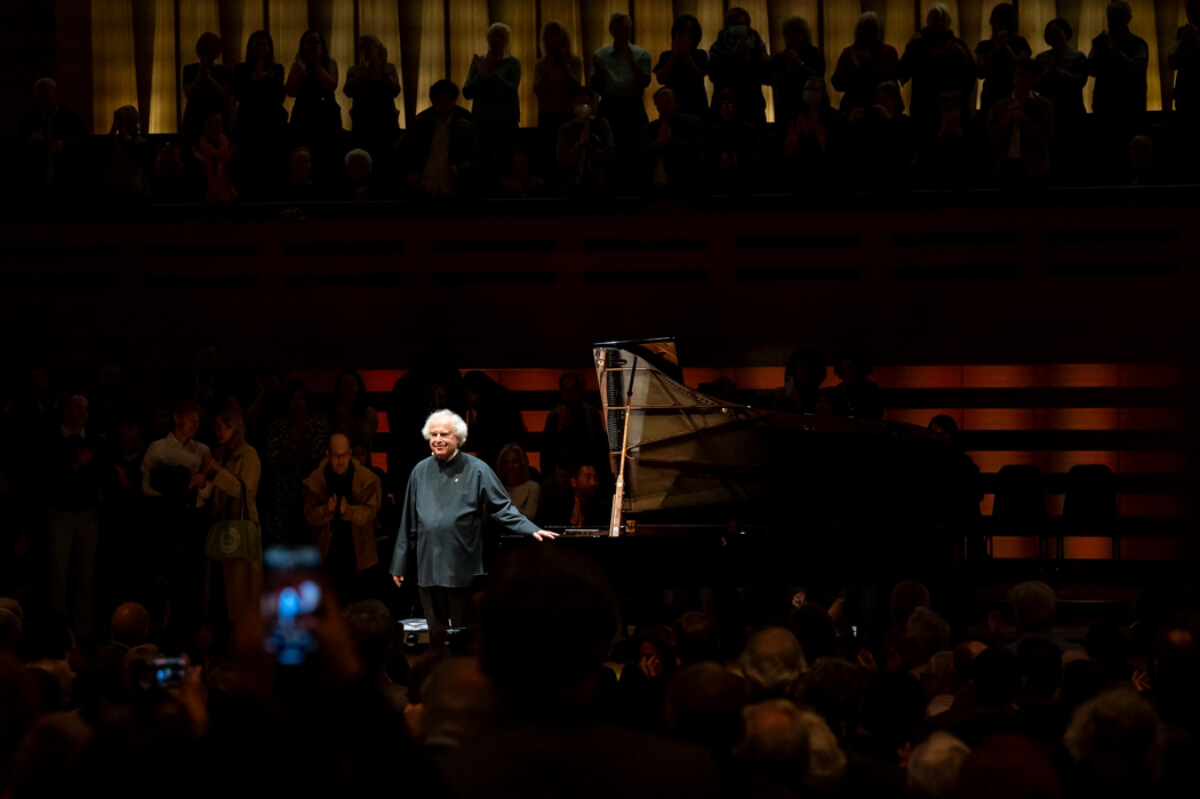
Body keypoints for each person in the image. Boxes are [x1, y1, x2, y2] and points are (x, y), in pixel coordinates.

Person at [389, 410, 558, 646]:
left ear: (458, 438)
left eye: (444, 434)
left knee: (461, 634)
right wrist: (400, 562)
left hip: (461, 564)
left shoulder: (477, 469)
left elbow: (502, 508)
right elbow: (409, 520)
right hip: (427, 564)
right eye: (433, 434)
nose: (438, 439)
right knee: (436, 635)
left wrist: (530, 528)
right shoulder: (419, 470)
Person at [44, 396, 102, 644]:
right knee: (58, 574)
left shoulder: (94, 439)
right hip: (60, 513)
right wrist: (75, 465)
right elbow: (43, 476)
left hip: (88, 513)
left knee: (85, 576)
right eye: (78, 406)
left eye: (87, 407)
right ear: (65, 408)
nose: (84, 412)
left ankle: (83, 634)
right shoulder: (50, 439)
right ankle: (59, 635)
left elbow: (102, 474)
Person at [198, 405, 261, 625]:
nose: (217, 433)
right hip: (221, 527)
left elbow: (244, 491)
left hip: (239, 528)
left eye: (221, 428)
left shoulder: (249, 455)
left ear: (234, 428)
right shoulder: (219, 454)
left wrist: (217, 472)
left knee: (240, 593)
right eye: (215, 428)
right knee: (220, 593)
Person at [304, 433, 382, 603]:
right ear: (327, 455)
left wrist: (349, 511)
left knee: (357, 603)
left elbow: (371, 512)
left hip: (358, 550)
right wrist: (327, 510)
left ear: (350, 453)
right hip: (327, 550)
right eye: (336, 456)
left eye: (344, 455)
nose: (340, 461)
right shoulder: (316, 479)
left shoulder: (366, 478)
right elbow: (309, 516)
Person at [591, 13, 652, 188]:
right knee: (610, 150)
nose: (623, 32)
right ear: (611, 31)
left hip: (633, 105)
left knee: (634, 149)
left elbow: (646, 82)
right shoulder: (600, 55)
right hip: (610, 105)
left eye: (626, 28)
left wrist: (632, 62)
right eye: (619, 29)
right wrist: (597, 69)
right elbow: (595, 86)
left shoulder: (641, 54)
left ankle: (634, 189)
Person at [898, 4, 974, 137]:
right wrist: (909, 47)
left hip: (951, 109)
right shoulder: (918, 46)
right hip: (923, 110)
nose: (937, 24)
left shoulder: (957, 46)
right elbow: (903, 74)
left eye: (940, 19)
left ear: (947, 23)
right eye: (934, 20)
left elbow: (970, 75)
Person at [264, 381, 326, 543]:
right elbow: (270, 462)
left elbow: (320, 462)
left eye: (301, 398)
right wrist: (290, 441)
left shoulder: (317, 427)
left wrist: (303, 439)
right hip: (281, 495)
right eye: (293, 399)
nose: (297, 402)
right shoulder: (277, 427)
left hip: (309, 494)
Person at [399, 80, 479, 198]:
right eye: (439, 100)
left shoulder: (466, 125)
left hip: (454, 185)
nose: (443, 104)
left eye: (447, 100)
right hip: (424, 184)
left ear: (454, 101)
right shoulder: (419, 124)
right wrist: (410, 173)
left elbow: (476, 157)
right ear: (433, 101)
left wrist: (459, 169)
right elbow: (401, 152)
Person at [231, 30, 287, 198]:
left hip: (271, 125)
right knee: (248, 165)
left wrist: (271, 79)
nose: (261, 48)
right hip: (248, 124)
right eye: (258, 44)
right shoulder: (241, 69)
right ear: (250, 47)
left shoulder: (277, 69)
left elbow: (280, 98)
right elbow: (239, 95)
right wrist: (252, 80)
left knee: (270, 164)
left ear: (269, 48)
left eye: (265, 44)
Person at [464, 22, 522, 179]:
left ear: (506, 41)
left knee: (506, 165)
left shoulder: (514, 63)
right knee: (483, 165)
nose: (497, 40)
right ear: (488, 40)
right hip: (482, 122)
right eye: (493, 37)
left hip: (506, 123)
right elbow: (467, 92)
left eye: (501, 37)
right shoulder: (479, 62)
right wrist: (479, 75)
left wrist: (492, 73)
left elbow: (510, 90)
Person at [986, 59, 1053, 187]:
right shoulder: (1000, 106)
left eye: (1026, 77)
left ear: (1033, 80)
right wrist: (1006, 122)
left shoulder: (1043, 105)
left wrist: (1023, 121)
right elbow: (990, 138)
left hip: (1034, 168)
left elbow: (1047, 137)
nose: (1020, 80)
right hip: (1005, 165)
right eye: (1018, 75)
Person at [286, 29, 342, 179]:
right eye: (308, 42)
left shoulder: (329, 62)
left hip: (326, 113)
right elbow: (290, 90)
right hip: (303, 113)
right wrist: (302, 70)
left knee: (326, 154)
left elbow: (330, 85)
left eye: (315, 42)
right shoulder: (297, 65)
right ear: (303, 45)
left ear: (321, 44)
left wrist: (317, 65)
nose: (312, 46)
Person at [18, 77, 86, 201]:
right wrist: (29, 141)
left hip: (67, 185)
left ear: (56, 94)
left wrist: (64, 144)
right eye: (41, 95)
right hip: (36, 186)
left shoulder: (71, 120)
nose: (44, 98)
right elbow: (17, 150)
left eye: (47, 94)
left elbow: (85, 146)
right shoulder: (28, 121)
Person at [1087, 1, 1149, 130]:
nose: (1113, 20)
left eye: (1118, 16)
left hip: (1131, 108)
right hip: (1104, 107)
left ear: (1128, 19)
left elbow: (1137, 70)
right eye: (1111, 16)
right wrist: (1099, 50)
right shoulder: (1100, 42)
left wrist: (1115, 51)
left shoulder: (1138, 44)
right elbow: (1090, 70)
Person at [533, 22, 583, 178]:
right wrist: (547, 70)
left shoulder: (575, 62)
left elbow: (576, 89)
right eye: (550, 35)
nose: (554, 38)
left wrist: (566, 65)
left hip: (567, 116)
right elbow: (538, 91)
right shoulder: (541, 64)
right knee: (548, 157)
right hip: (547, 116)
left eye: (557, 35)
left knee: (568, 157)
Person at [344, 34, 402, 169]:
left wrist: (382, 69)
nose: (364, 52)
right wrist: (363, 72)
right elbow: (349, 91)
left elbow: (395, 90)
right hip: (362, 124)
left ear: (378, 50)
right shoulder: (354, 70)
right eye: (361, 49)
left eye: (367, 48)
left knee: (387, 162)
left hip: (386, 124)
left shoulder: (389, 69)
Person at [708, 7, 769, 128]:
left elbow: (766, 74)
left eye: (740, 24)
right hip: (725, 104)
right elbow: (714, 74)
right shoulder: (718, 45)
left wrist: (747, 57)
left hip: (752, 103)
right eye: (733, 24)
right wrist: (732, 55)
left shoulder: (757, 44)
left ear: (747, 25)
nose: (737, 27)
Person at [640, 86, 704, 199]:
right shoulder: (648, 129)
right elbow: (641, 158)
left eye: (668, 102)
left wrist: (671, 140)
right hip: (653, 191)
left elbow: (696, 154)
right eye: (661, 102)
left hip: (684, 189)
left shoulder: (691, 124)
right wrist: (657, 143)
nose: (664, 106)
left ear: (677, 103)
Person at [831, 12, 899, 115]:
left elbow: (892, 80)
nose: (867, 33)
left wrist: (870, 65)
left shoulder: (888, 52)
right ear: (858, 31)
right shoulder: (848, 53)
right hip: (853, 105)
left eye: (872, 29)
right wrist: (853, 70)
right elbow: (837, 83)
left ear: (878, 31)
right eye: (864, 29)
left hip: (882, 106)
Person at [557, 86, 614, 197]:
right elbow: (563, 160)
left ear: (592, 104)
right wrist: (580, 143)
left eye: (587, 102)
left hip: (600, 187)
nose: (583, 106)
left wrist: (591, 144)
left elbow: (609, 153)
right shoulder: (565, 130)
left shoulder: (602, 124)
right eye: (579, 102)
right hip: (573, 188)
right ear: (573, 104)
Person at [975, 4, 1031, 120]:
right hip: (990, 94)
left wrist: (1006, 48)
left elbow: (1023, 67)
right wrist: (994, 51)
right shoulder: (984, 45)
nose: (998, 25)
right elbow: (980, 73)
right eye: (995, 21)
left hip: (1013, 93)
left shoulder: (1019, 43)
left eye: (1002, 21)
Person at [769, 17, 826, 123]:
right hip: (787, 108)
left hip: (811, 108)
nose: (791, 37)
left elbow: (817, 78)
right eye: (787, 33)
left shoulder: (815, 53)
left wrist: (800, 64)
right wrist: (788, 70)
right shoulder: (779, 57)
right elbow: (775, 82)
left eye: (795, 32)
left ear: (804, 34)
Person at [181, 33, 232, 148]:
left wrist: (208, 77)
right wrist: (200, 74)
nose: (209, 55)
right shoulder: (190, 69)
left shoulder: (224, 71)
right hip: (195, 118)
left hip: (217, 119)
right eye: (206, 51)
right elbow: (188, 93)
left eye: (212, 51)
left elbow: (224, 94)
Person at [654, 15, 710, 120]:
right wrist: (673, 56)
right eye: (680, 31)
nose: (683, 35)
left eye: (688, 32)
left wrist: (686, 55)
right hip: (672, 105)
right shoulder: (666, 55)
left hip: (696, 103)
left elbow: (699, 75)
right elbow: (660, 79)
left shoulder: (700, 54)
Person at [705, 89, 759, 194]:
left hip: (745, 180)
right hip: (718, 181)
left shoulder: (748, 130)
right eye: (722, 105)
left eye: (729, 104)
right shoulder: (713, 132)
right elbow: (707, 158)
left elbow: (756, 156)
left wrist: (739, 161)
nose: (725, 108)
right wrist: (720, 164)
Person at [539, 461, 610, 528]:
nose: (593, 483)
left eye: (595, 478)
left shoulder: (600, 506)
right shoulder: (558, 506)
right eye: (588, 478)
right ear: (573, 483)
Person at [192, 111, 238, 204]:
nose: (214, 127)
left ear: (223, 126)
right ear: (203, 125)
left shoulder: (231, 150)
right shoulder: (195, 151)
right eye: (210, 123)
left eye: (218, 124)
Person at [328, 370, 378, 450]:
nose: (349, 387)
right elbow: (324, 436)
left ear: (359, 387)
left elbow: (365, 436)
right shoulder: (331, 411)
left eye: (352, 383)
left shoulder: (368, 412)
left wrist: (346, 417)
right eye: (345, 383)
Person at [494, 443, 539, 520]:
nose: (510, 466)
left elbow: (529, 517)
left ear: (522, 464)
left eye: (515, 462)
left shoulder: (532, 487)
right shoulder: (495, 488)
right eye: (506, 462)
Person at [1170, 1, 1200, 116]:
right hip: (1184, 98)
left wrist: (1196, 40)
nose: (1192, 14)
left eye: (1194, 10)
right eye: (1189, 10)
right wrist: (1183, 41)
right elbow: (1171, 63)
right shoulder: (1181, 32)